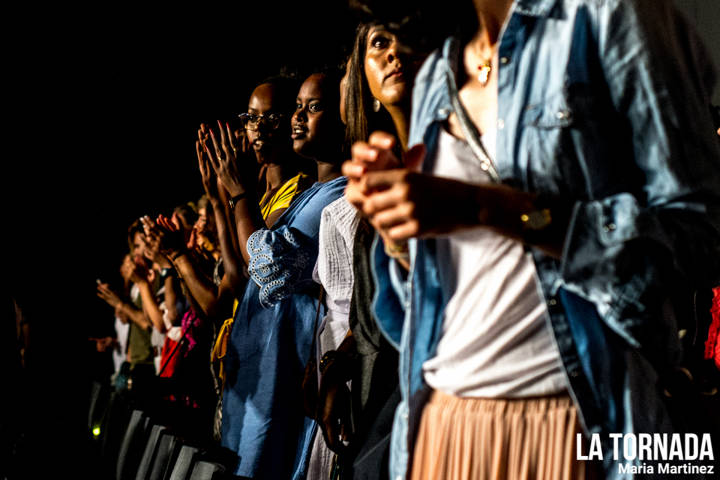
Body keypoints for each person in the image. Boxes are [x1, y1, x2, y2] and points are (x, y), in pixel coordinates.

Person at [344, 0, 720, 479]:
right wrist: (397, 230)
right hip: (442, 424)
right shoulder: (440, 66)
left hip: (573, 424)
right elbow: (435, 308)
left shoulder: (609, 17)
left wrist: (487, 208)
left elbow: (700, 234)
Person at [201, 71, 347, 480]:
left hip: (280, 372)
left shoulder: (339, 193)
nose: (298, 117)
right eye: (297, 107)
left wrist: (238, 193)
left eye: (312, 108)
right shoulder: (309, 195)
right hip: (259, 368)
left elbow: (264, 267)